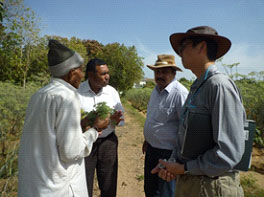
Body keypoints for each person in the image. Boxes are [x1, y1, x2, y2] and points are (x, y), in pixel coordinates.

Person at [151, 26, 246, 196]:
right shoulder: (197, 88)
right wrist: (173, 163)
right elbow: (186, 136)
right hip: (194, 182)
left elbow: (229, 152)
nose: (180, 53)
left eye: (184, 46)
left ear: (201, 47)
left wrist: (185, 168)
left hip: (212, 187)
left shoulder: (219, 86)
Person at [18, 40, 109, 197]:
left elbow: (49, 133)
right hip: (58, 187)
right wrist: (95, 130)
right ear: (71, 73)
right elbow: (71, 151)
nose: (82, 76)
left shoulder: (39, 95)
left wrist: (82, 123)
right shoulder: (67, 97)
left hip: (37, 185)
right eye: (81, 71)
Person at [143, 54, 188, 197]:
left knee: (165, 193)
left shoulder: (180, 93)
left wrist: (176, 159)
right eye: (157, 72)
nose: (160, 75)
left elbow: (186, 128)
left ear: (173, 73)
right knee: (150, 189)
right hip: (151, 150)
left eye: (165, 72)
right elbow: (153, 118)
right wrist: (148, 139)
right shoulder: (155, 91)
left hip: (168, 154)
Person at [78, 58, 124, 197]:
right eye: (103, 74)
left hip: (108, 143)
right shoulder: (77, 92)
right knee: (83, 184)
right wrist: (87, 122)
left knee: (108, 184)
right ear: (91, 75)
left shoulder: (112, 92)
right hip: (85, 143)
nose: (107, 77)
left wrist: (115, 120)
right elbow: (72, 123)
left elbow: (121, 120)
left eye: (107, 73)